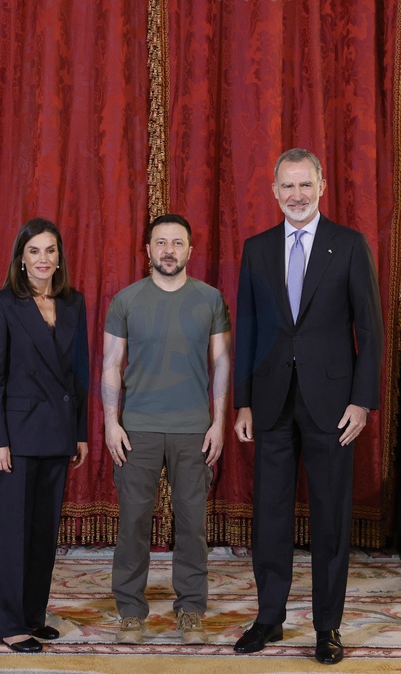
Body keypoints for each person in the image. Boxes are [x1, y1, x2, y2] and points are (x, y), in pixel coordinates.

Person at [233, 149, 383, 665]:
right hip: (271, 402)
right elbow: (248, 330)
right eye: (287, 186)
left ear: (321, 187)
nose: (296, 195)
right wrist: (243, 403)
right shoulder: (256, 249)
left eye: (304, 185)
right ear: (274, 191)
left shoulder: (349, 244)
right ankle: (269, 619)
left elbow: (370, 330)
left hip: (333, 405)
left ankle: (327, 628)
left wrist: (362, 401)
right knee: (270, 516)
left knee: (330, 519)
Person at [101, 214, 231, 645]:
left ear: (190, 250)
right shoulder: (126, 300)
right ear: (148, 250)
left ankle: (191, 610)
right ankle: (130, 613)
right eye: (161, 242)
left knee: (192, 525)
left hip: (194, 430)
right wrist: (111, 423)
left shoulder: (210, 299)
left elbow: (221, 363)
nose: (169, 250)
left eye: (177, 243)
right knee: (133, 524)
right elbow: (110, 366)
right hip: (137, 430)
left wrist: (218, 423)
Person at [0, 217, 89, 653]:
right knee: (14, 533)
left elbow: (79, 373)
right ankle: (10, 624)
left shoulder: (73, 302)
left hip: (59, 430)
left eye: (50, 250)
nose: (43, 259)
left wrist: (80, 432)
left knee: (44, 533)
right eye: (34, 251)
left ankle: (33, 616)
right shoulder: (3, 304)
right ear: (21, 258)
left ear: (59, 257)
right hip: (19, 435)